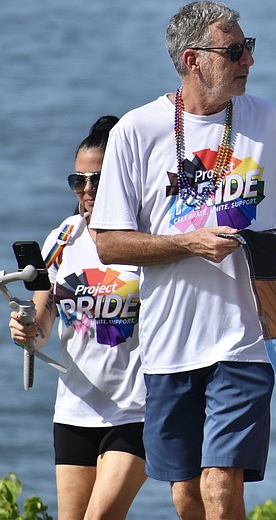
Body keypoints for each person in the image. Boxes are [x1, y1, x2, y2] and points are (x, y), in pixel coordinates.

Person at [89, 0, 276, 520]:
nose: (249, 60)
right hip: (168, 345)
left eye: (249, 48)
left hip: (245, 340)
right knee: (187, 495)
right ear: (193, 59)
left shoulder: (269, 120)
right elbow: (108, 243)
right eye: (235, 51)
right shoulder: (137, 129)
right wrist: (189, 243)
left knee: (220, 485)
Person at [9, 115, 147, 520]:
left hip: (136, 409)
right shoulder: (64, 237)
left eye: (97, 180)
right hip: (74, 409)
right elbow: (44, 315)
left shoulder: (145, 238)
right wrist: (27, 330)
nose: (86, 190)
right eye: (78, 180)